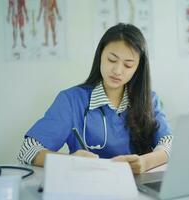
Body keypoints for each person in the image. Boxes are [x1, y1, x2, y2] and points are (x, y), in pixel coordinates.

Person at [17, 23, 173, 174]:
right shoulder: (71, 100)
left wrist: (145, 162)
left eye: (128, 65)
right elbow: (28, 150)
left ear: (138, 68)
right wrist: (70, 160)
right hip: (87, 186)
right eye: (111, 60)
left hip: (137, 188)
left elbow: (168, 143)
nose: (117, 70)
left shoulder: (149, 100)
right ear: (100, 56)